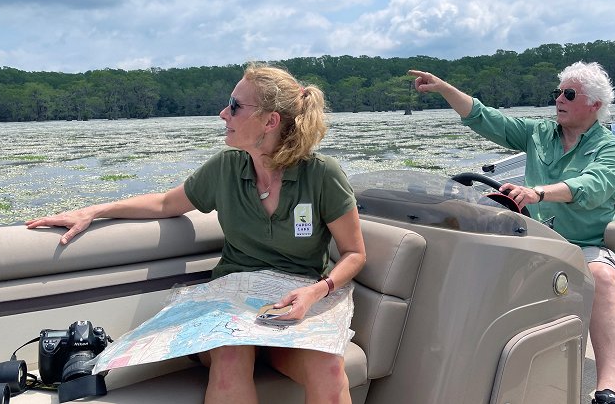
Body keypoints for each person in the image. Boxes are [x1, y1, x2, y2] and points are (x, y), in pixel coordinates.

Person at [26, 63, 366, 404]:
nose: (223, 113)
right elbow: (164, 204)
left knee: (331, 371)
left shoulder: (322, 175)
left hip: (294, 309)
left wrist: (316, 291)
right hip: (232, 305)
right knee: (232, 358)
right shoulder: (226, 167)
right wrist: (94, 211)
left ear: (270, 121)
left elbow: (354, 253)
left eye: (234, 106)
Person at [408, 62, 615, 404]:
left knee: (602, 277)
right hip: (534, 237)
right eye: (558, 93)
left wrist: (539, 193)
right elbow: (487, 118)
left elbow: (594, 185)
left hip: (584, 245)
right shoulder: (539, 133)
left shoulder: (611, 148)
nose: (559, 99)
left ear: (595, 105)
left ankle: (608, 390)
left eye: (569, 94)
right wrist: (444, 88)